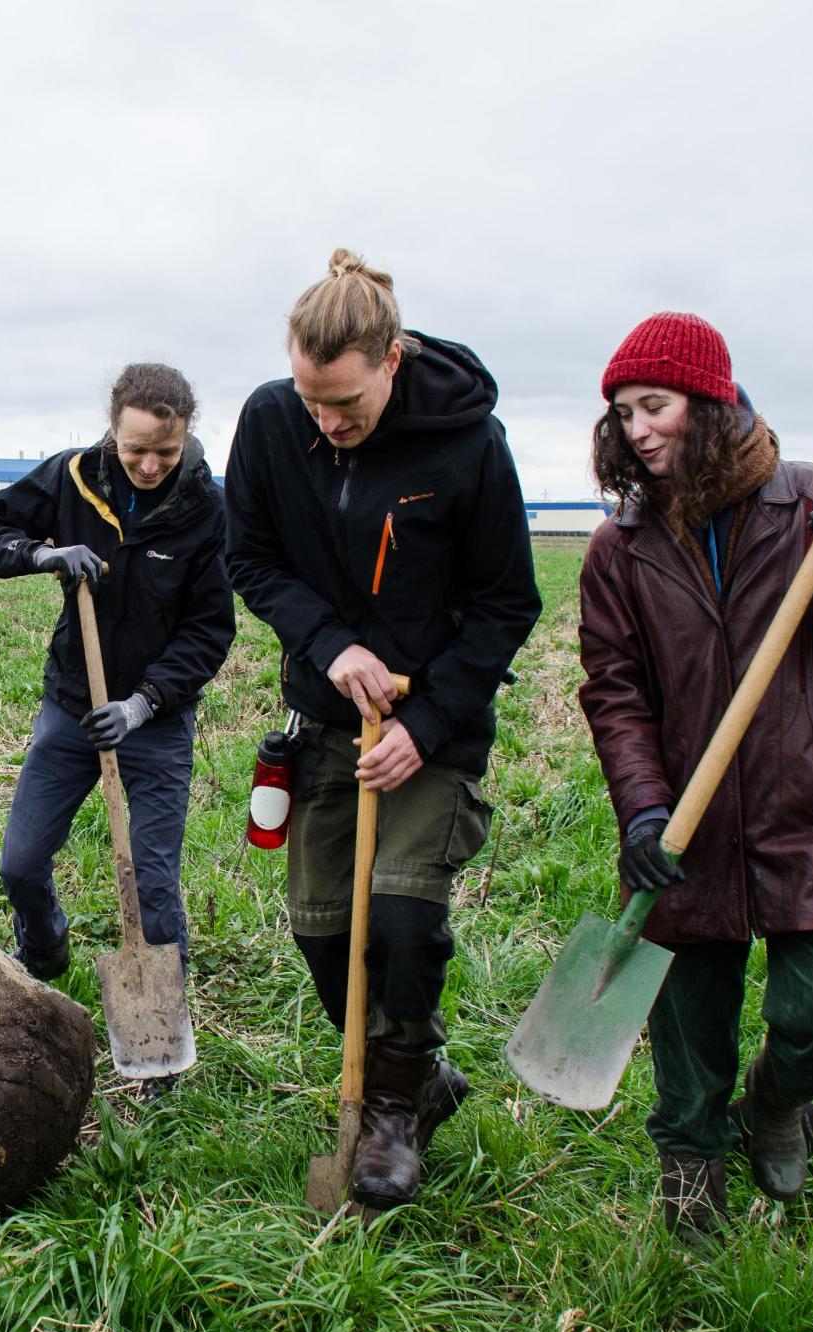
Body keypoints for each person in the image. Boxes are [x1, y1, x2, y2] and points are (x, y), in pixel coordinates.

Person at [576, 312, 813, 1233]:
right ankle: (690, 1164)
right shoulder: (622, 548)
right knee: (689, 1027)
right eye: (624, 413)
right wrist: (643, 811)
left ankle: (772, 1102)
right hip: (681, 826)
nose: (638, 429)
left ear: (710, 402)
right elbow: (616, 691)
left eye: (656, 405)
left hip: (803, 812)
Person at [225, 249, 541, 1210]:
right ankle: (419, 1070)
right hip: (325, 723)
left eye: (348, 406)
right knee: (324, 933)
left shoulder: (469, 443)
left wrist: (431, 717)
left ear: (392, 359)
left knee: (403, 914)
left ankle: (393, 1106)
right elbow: (252, 555)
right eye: (313, 401)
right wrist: (329, 646)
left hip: (432, 732)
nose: (328, 423)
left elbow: (505, 603)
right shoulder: (271, 422)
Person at [0, 362, 235, 1089]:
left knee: (152, 887)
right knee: (19, 865)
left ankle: (159, 1048)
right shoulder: (71, 478)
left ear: (185, 439)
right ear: (114, 429)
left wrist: (144, 703)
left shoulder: (207, 508)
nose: (149, 465)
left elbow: (210, 632)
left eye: (165, 453)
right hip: (71, 705)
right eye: (137, 448)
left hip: (155, 725)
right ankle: (45, 953)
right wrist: (41, 553)